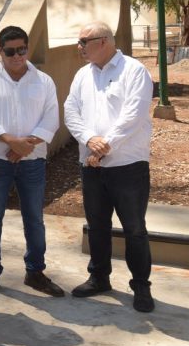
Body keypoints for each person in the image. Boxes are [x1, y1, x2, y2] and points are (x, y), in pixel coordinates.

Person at [64, 21, 155, 312]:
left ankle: (141, 286)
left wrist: (106, 145)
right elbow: (71, 111)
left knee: (134, 229)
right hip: (91, 166)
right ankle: (99, 277)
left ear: (102, 41)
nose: (78, 47)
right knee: (98, 226)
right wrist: (90, 139)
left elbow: (134, 115)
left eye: (83, 41)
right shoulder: (82, 75)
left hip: (127, 166)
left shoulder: (134, 71)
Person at [0, 26, 63, 300]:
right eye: (10, 51)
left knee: (35, 219)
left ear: (27, 49)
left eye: (22, 50)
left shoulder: (44, 81)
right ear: (0, 52)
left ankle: (35, 272)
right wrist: (11, 141)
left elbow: (51, 119)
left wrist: (25, 145)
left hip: (33, 162)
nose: (17, 56)